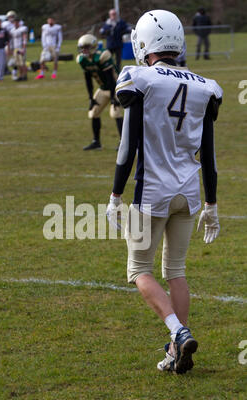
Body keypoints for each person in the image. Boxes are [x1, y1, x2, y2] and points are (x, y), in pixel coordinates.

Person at [106, 10, 222, 374]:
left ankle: (178, 332)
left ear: (143, 42)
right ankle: (176, 351)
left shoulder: (138, 78)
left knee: (139, 270)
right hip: (188, 194)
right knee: (176, 270)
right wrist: (212, 203)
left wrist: (115, 195)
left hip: (151, 192)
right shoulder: (205, 86)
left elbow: (127, 148)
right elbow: (210, 154)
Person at [76, 34, 123, 151]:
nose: (84, 50)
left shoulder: (103, 55)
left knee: (115, 113)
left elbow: (111, 80)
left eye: (86, 47)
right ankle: (96, 142)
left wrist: (113, 98)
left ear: (93, 46)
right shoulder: (83, 59)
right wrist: (91, 98)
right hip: (103, 88)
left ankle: (123, 142)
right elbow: (88, 80)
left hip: (116, 88)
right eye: (82, 47)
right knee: (94, 112)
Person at [99, 8, 131, 72]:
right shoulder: (107, 23)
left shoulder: (121, 22)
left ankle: (118, 72)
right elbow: (101, 31)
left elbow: (128, 29)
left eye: (114, 14)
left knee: (118, 61)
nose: (113, 15)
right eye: (112, 14)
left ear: (116, 15)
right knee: (108, 59)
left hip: (118, 44)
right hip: (110, 45)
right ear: (110, 15)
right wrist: (107, 32)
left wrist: (123, 32)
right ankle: (109, 71)